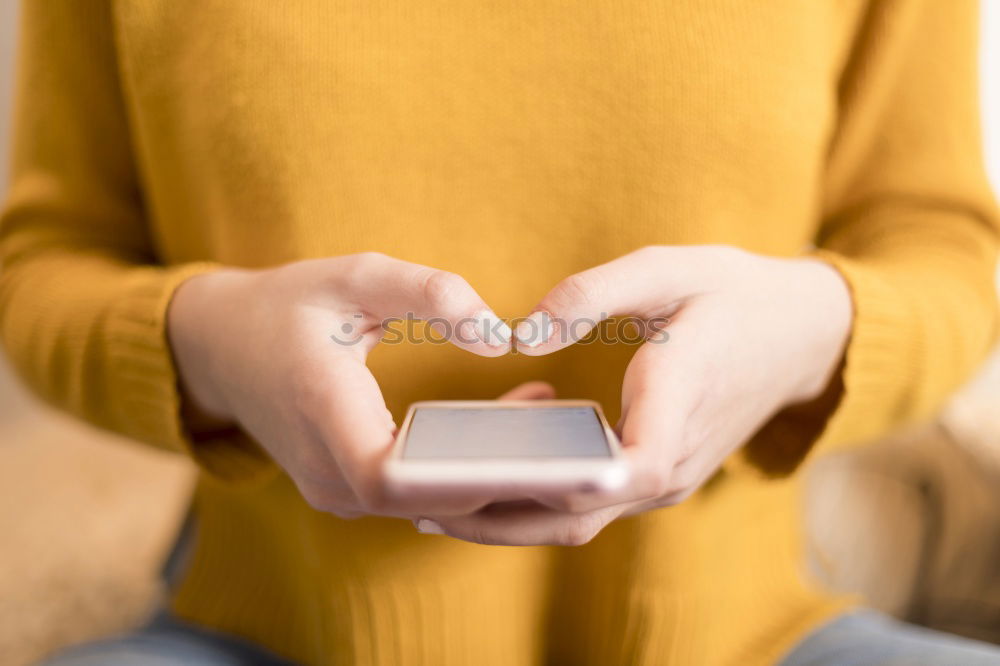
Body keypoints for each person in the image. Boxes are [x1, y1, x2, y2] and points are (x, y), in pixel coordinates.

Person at [2, 1, 999, 664]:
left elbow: (947, 250)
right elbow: (42, 264)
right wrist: (205, 340)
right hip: (275, 633)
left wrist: (809, 330)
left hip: (744, 642)